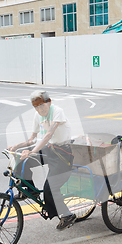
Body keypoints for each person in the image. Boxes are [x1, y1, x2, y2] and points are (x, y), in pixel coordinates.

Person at [8, 91, 75, 230]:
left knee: (50, 188)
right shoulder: (37, 115)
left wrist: (32, 151)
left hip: (62, 153)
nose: (39, 109)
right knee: (20, 159)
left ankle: (67, 215)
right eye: (36, 107)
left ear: (48, 101)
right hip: (48, 149)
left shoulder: (57, 111)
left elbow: (48, 135)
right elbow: (32, 139)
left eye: (41, 106)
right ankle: (29, 190)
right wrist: (17, 146)